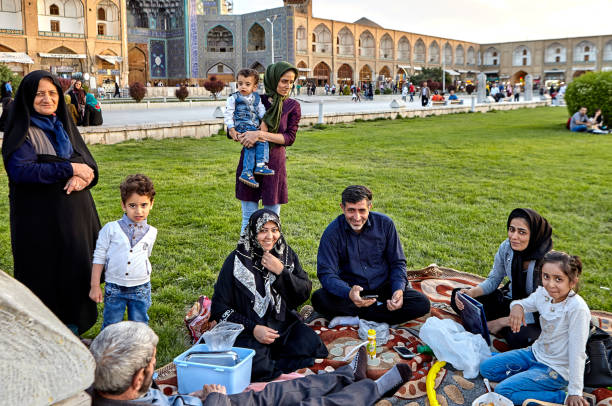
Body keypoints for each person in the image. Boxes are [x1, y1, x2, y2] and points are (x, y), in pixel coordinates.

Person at [89, 321, 413, 406]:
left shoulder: (103, 386)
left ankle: (341, 376)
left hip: (209, 400)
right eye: (153, 361)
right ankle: (369, 390)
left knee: (279, 392)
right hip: (218, 403)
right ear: (136, 380)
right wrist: (214, 398)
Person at [2, 70, 100, 335]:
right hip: (41, 226)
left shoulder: (63, 126)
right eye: (39, 94)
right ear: (27, 97)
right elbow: (22, 171)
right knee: (48, 280)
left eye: (52, 93)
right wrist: (69, 169)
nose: (47, 99)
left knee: (76, 275)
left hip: (76, 224)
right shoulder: (22, 131)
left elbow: (89, 165)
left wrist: (83, 178)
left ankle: (76, 331)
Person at [211, 209, 329, 381]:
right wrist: (254, 328)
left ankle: (275, 367)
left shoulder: (286, 255)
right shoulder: (236, 261)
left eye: (274, 230)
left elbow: (303, 294)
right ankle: (273, 368)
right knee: (257, 364)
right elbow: (219, 308)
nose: (269, 236)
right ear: (252, 232)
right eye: (263, 230)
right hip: (248, 331)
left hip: (282, 326)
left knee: (312, 345)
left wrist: (281, 272)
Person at [480, 251, 591, 406]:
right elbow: (524, 303)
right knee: (486, 369)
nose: (550, 284)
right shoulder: (543, 293)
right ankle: (528, 377)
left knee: (503, 392)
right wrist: (517, 307)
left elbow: (578, 353)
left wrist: (575, 392)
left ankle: (561, 398)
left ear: (572, 282)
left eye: (558, 279)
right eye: (546, 277)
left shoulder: (577, 309)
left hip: (555, 369)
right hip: (534, 353)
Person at [312, 185, 430, 327]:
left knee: (421, 303)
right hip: (352, 289)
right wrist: (349, 292)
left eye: (362, 210)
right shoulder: (332, 232)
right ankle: (384, 316)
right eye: (351, 210)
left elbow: (397, 263)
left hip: (384, 286)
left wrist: (398, 289)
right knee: (319, 299)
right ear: (342, 208)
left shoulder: (385, 224)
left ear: (370, 207)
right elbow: (326, 273)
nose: (357, 217)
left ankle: (357, 318)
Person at [450, 208, 552, 349]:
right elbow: (494, 279)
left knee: (518, 337)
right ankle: (497, 324)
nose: (514, 236)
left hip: (535, 314)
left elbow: (543, 309)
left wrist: (500, 322)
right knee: (459, 296)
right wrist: (471, 293)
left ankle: (502, 326)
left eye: (522, 232)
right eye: (511, 229)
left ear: (534, 234)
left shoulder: (548, 264)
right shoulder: (507, 247)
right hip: (509, 302)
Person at [228, 62, 300, 234]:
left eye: (291, 82)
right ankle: (246, 258)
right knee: (248, 218)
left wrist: (259, 134)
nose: (287, 86)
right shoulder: (254, 99)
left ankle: (270, 258)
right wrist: (233, 131)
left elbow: (289, 138)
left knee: (271, 219)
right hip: (249, 165)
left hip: (273, 166)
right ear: (273, 79)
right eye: (284, 81)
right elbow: (237, 119)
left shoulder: (292, 106)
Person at [89, 174, 157, 329]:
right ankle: (108, 352)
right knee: (111, 325)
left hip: (141, 287)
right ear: (123, 205)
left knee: (140, 326)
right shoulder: (111, 229)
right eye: (132, 205)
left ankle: (138, 351)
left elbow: (146, 255)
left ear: (151, 204)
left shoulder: (152, 232)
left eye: (144, 205)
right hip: (115, 288)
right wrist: (95, 285)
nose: (138, 211)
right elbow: (99, 258)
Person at [224, 68, 271, 189]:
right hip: (242, 125)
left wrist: (264, 120)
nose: (243, 87)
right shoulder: (233, 98)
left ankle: (255, 167)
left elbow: (261, 110)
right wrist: (231, 128)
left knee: (261, 140)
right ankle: (251, 169)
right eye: (240, 84)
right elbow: (228, 114)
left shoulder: (257, 97)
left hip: (254, 126)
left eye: (247, 84)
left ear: (255, 87)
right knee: (254, 142)